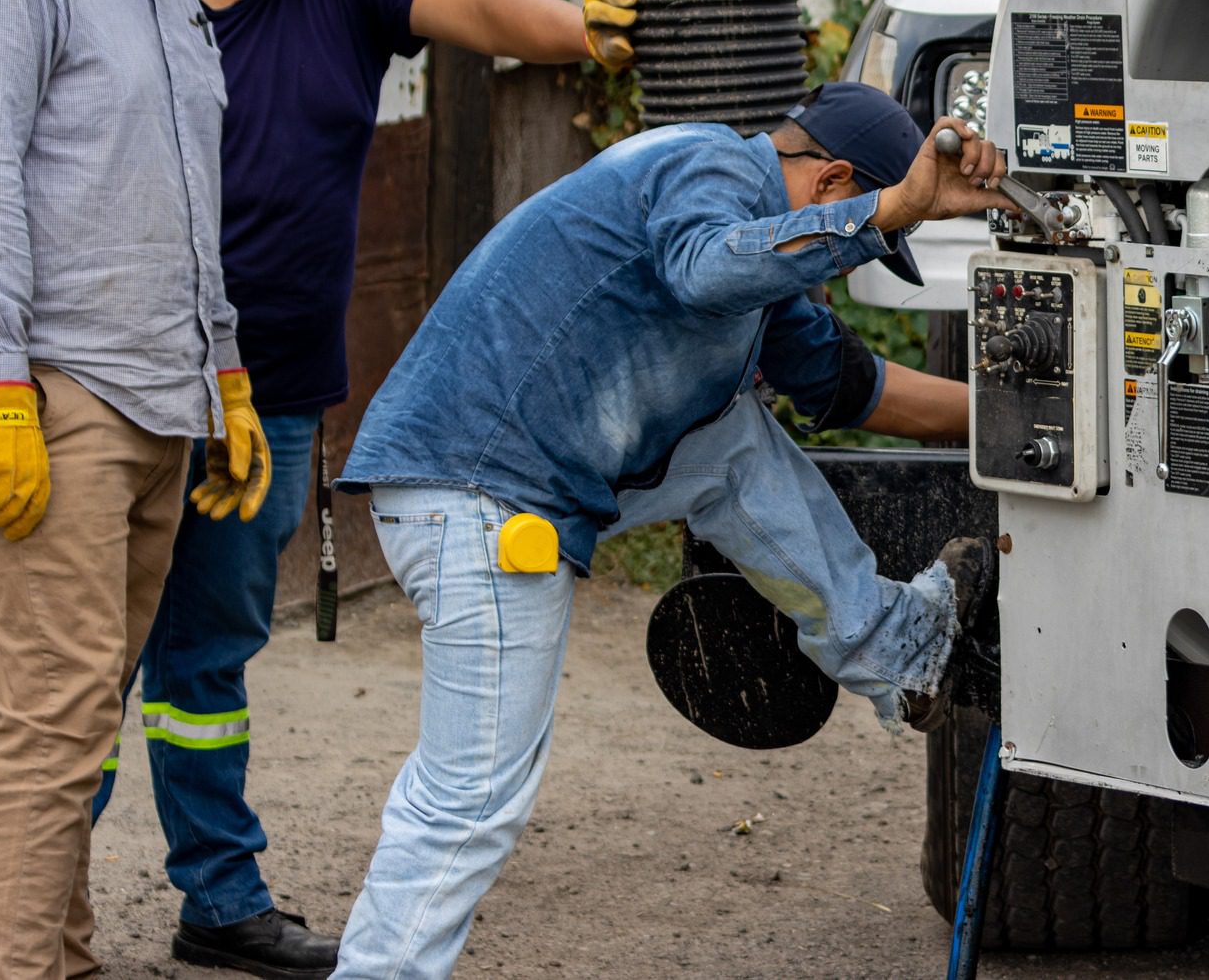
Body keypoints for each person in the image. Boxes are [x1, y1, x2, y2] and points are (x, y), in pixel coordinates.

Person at [83, 0, 612, 980]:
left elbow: (481, 9)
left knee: (207, 657)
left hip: (263, 395)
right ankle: (40, 899)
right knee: (87, 656)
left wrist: (593, 26)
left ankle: (217, 895)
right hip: (117, 384)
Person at [326, 81, 1009, 977]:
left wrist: (1022, 420)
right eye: (854, 240)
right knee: (468, 802)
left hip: (508, 486)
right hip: (477, 494)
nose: (839, 269)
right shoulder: (709, 163)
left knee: (732, 445)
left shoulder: (760, 264)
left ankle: (896, 645)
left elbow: (851, 387)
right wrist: (892, 209)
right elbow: (705, 265)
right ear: (832, 179)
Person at [0, 0, 312, 979]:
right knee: (46, 729)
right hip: (59, 396)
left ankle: (54, 951)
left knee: (84, 713)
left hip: (160, 395)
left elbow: (181, 195)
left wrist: (222, 371)